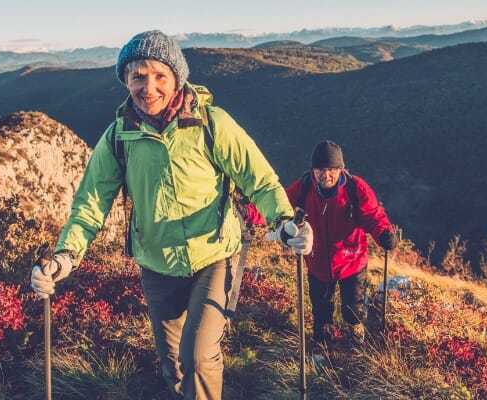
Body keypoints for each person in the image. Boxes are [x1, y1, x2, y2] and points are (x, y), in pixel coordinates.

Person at [30, 30, 312, 400]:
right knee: (174, 364)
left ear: (177, 77)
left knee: (197, 356)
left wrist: (284, 221)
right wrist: (65, 256)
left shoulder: (212, 124)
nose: (149, 87)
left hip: (214, 255)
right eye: (138, 76)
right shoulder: (119, 137)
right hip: (157, 265)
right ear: (126, 81)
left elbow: (258, 180)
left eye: (159, 75)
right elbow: (90, 205)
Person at [284, 140, 398, 344]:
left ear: (341, 169)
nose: (325, 175)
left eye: (331, 170)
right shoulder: (304, 187)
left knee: (352, 309)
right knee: (321, 312)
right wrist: (250, 213)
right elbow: (279, 204)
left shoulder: (356, 188)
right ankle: (323, 346)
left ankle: (356, 331)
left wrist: (384, 234)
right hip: (317, 261)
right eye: (320, 169)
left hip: (351, 262)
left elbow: (373, 214)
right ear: (313, 170)